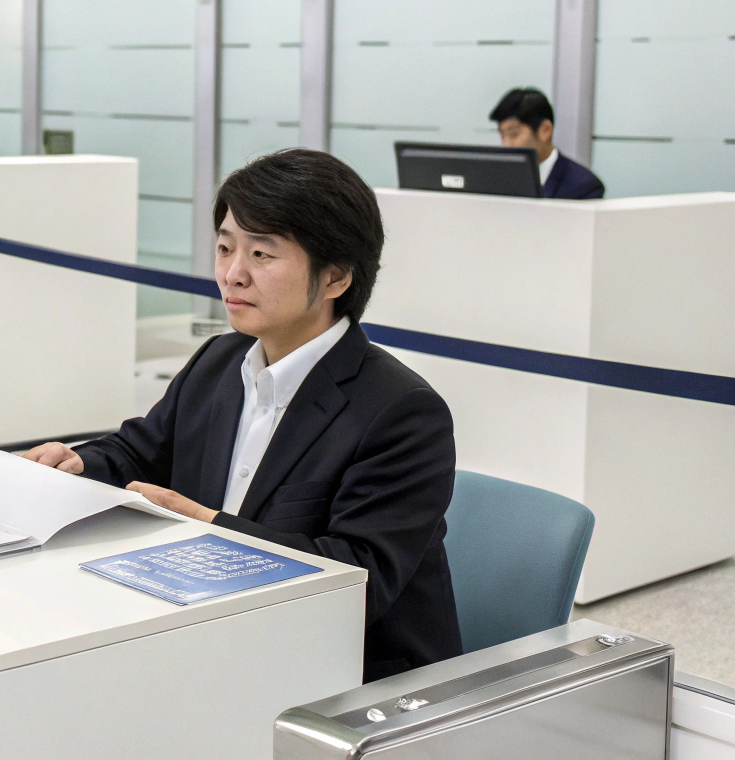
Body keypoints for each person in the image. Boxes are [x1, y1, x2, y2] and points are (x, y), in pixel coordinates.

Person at [24, 149, 461, 682]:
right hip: (206, 630)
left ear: (336, 278)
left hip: (338, 673)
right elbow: (140, 450)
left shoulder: (402, 413)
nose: (232, 274)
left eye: (262, 255)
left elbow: (357, 581)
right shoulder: (219, 360)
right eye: (226, 248)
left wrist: (209, 527)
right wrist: (77, 464)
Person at [489, 87, 603, 199]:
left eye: (514, 134)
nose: (506, 144)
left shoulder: (583, 185)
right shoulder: (497, 180)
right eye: (502, 135)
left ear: (545, 130)